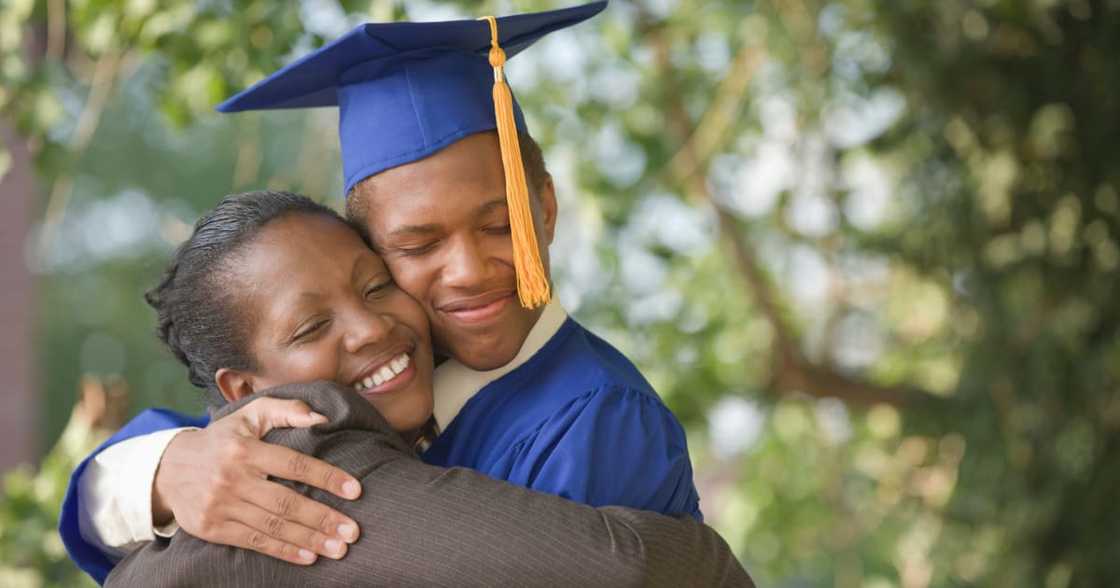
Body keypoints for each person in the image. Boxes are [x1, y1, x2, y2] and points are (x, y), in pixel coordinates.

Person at [60, 1, 720, 582]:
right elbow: (135, 475)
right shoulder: (363, 387)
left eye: (498, 224)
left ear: (544, 209)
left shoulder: (595, 417)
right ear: (369, 249)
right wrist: (166, 470)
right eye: (418, 246)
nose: (466, 270)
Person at [97, 189, 749, 586]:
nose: (371, 327)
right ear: (243, 387)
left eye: (377, 284)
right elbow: (621, 571)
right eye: (313, 326)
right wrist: (705, 556)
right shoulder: (306, 450)